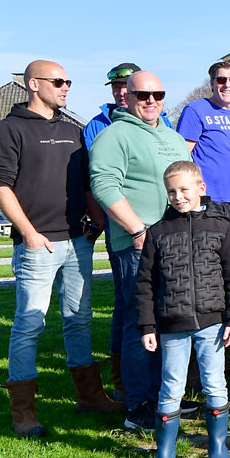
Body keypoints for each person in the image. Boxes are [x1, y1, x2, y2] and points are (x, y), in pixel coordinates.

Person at [0, 59, 118, 438]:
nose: (65, 87)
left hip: (78, 240)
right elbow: (1, 186)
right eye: (58, 81)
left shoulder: (71, 130)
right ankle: (24, 410)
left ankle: (90, 396)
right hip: (38, 244)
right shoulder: (7, 129)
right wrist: (28, 233)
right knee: (30, 323)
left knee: (79, 318)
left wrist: (97, 223)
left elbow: (86, 183)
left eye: (68, 82)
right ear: (33, 84)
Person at [90, 70, 192, 432]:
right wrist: (136, 228)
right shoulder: (114, 135)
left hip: (175, 242)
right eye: (142, 95)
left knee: (168, 320)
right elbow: (103, 183)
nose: (151, 100)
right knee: (140, 322)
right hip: (136, 244)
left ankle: (165, 396)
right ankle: (138, 406)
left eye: (158, 94)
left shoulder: (171, 135)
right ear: (127, 97)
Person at [136, 161, 230, 458]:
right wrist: (147, 325)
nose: (178, 197)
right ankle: (166, 451)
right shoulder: (158, 232)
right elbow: (144, 284)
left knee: (215, 384)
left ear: (201, 189)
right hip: (172, 326)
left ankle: (218, 446)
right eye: (172, 191)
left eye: (184, 190)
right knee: (171, 386)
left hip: (213, 325)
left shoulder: (221, 228)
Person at [176, 60, 230, 245]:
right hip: (208, 206)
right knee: (206, 268)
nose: (228, 85)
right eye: (222, 79)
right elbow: (181, 161)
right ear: (212, 83)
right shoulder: (196, 110)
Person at [84, 63, 171, 149]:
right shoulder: (97, 125)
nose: (122, 93)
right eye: (116, 88)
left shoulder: (162, 123)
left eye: (126, 87)